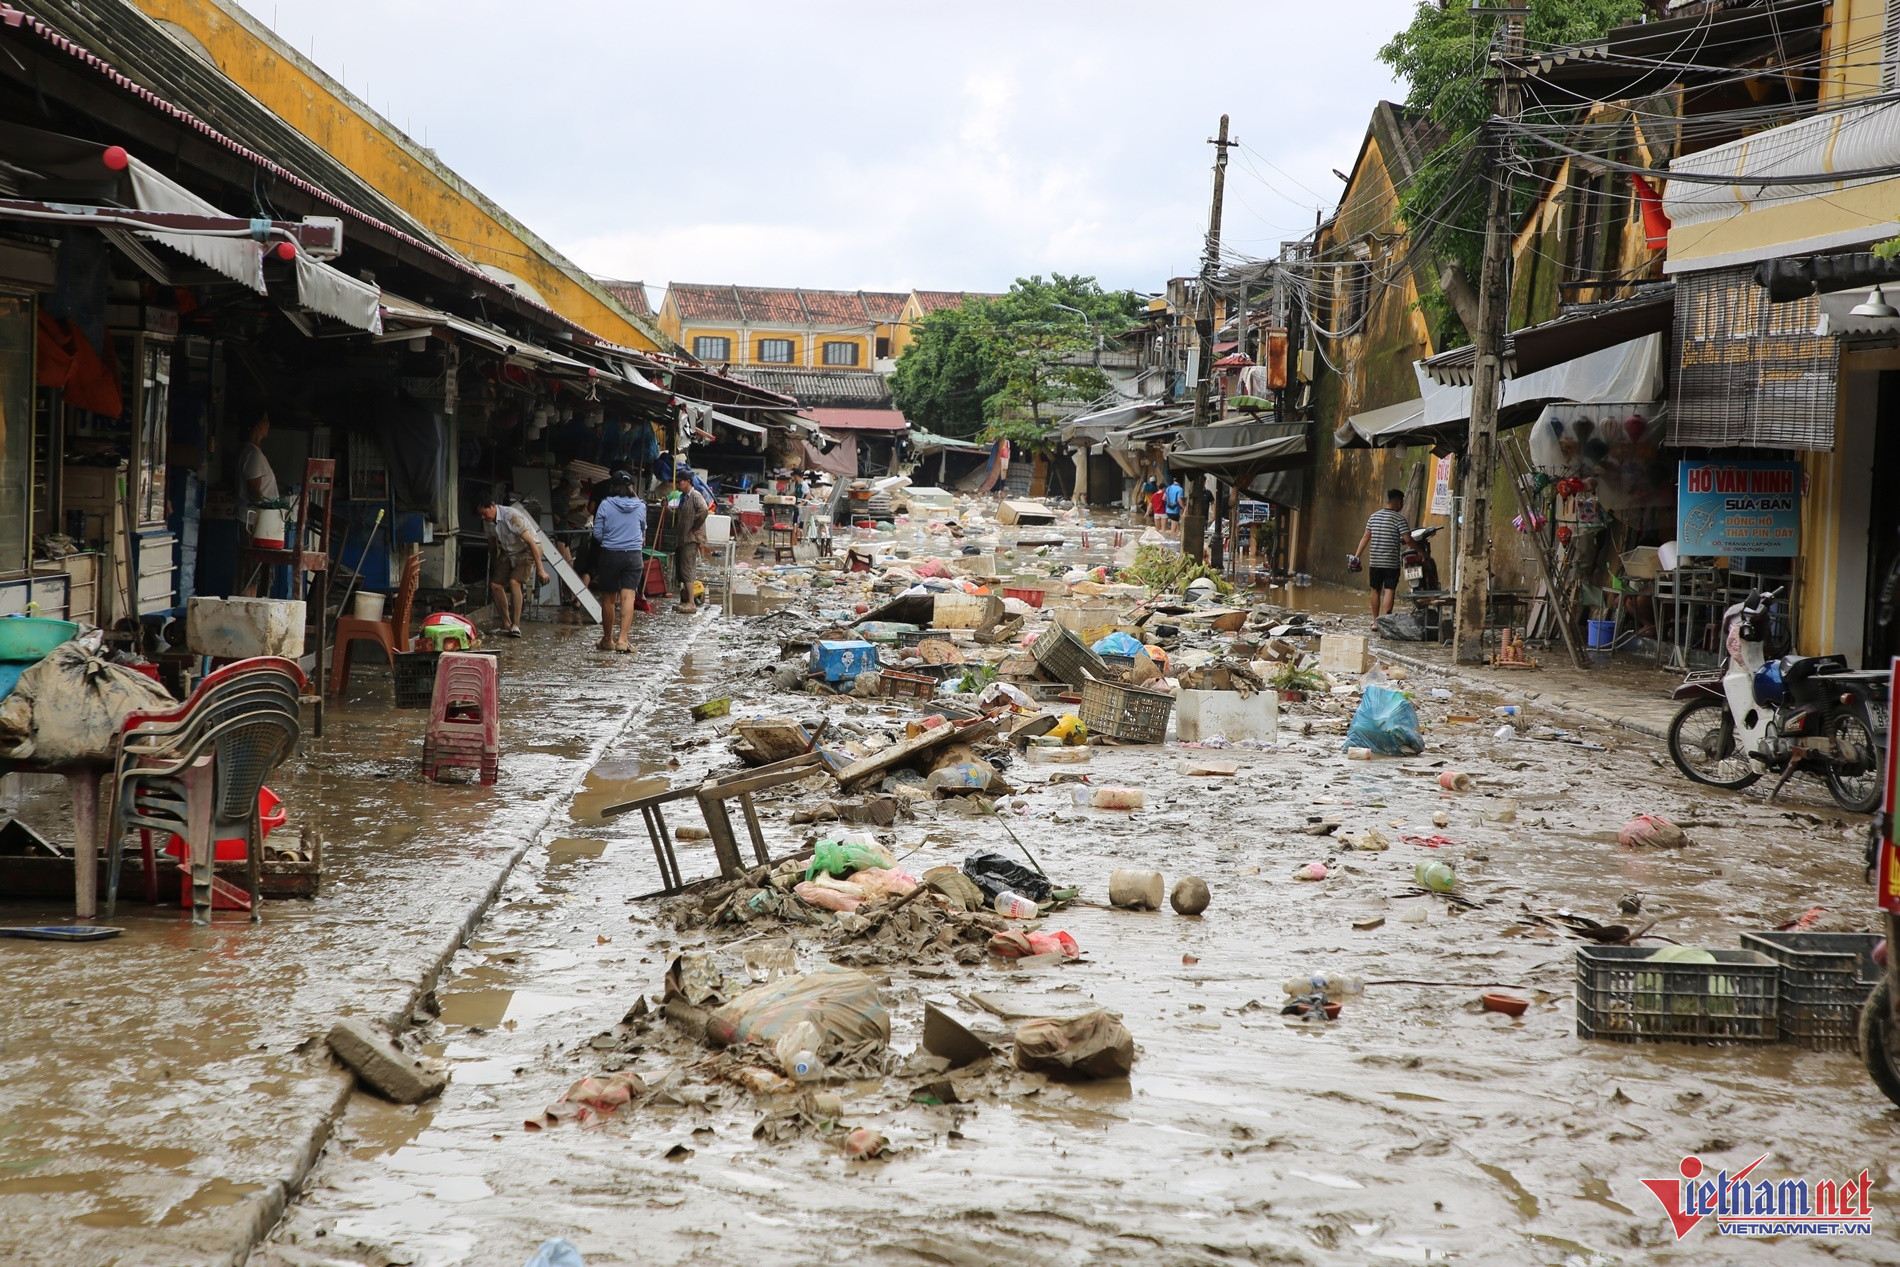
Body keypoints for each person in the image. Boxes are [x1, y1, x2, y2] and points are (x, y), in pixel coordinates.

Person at [479, 493, 549, 638]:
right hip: (508, 551)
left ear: (492, 506)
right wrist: (495, 563)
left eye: (484, 513)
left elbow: (531, 543)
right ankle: (506, 625)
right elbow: (492, 543)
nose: (483, 518)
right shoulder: (487, 521)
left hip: (527, 550)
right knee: (496, 585)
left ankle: (516, 626)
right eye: (480, 515)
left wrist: (541, 570)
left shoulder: (511, 516)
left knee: (514, 582)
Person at [591, 470, 646, 652]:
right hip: (634, 555)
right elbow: (643, 529)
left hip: (610, 554)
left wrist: (612, 539)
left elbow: (597, 533)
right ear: (631, 488)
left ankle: (608, 639)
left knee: (608, 599)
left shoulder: (605, 505)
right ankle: (623, 640)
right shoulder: (640, 506)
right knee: (628, 596)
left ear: (613, 487)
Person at [1351, 488, 1411, 620]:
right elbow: (1408, 539)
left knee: (1375, 590)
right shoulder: (1399, 519)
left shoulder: (1373, 517)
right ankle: (1386, 621)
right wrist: (1420, 551)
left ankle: (1375, 622)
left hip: (1375, 562)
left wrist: (1356, 557)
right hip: (1391, 563)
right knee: (1389, 590)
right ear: (1398, 503)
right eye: (1402, 503)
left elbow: (1365, 537)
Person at [237, 412, 280, 597]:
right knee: (252, 572)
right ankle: (248, 609)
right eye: (265, 420)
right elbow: (255, 492)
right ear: (258, 426)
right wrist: (270, 507)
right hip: (255, 522)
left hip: (260, 522)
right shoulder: (253, 455)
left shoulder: (254, 452)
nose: (269, 424)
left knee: (257, 571)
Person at [667, 463, 710, 614]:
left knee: (687, 569)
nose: (677, 485)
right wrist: (667, 508)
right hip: (682, 538)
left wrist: (695, 526)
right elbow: (678, 516)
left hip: (691, 538)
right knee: (681, 570)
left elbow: (704, 510)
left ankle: (691, 602)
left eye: (680, 482)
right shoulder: (683, 497)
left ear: (688, 482)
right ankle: (685, 600)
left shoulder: (695, 495)